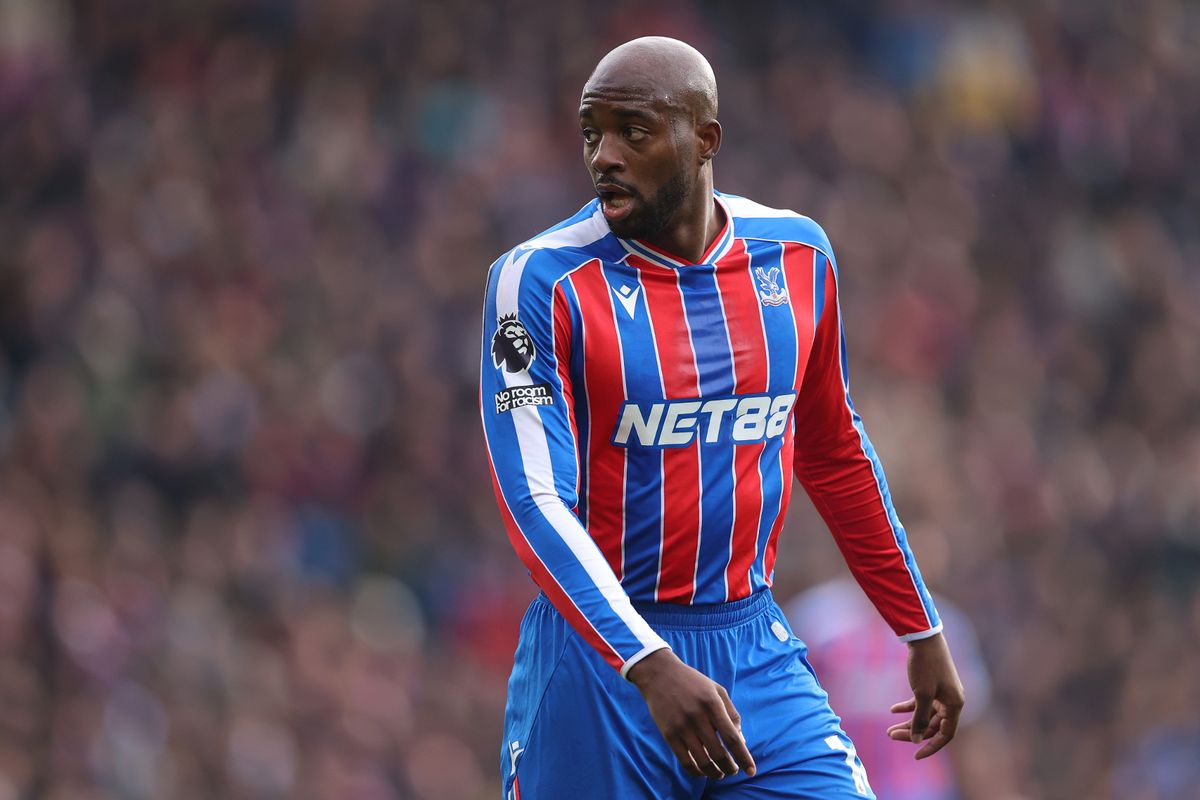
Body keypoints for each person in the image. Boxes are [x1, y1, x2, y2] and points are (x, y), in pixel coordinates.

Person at [480, 36, 964, 799]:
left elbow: (834, 450)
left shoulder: (797, 257)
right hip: (598, 669)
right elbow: (534, 501)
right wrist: (646, 663)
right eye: (590, 133)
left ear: (705, 140)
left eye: (632, 131)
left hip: (752, 647)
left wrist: (918, 626)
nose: (603, 155)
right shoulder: (540, 282)